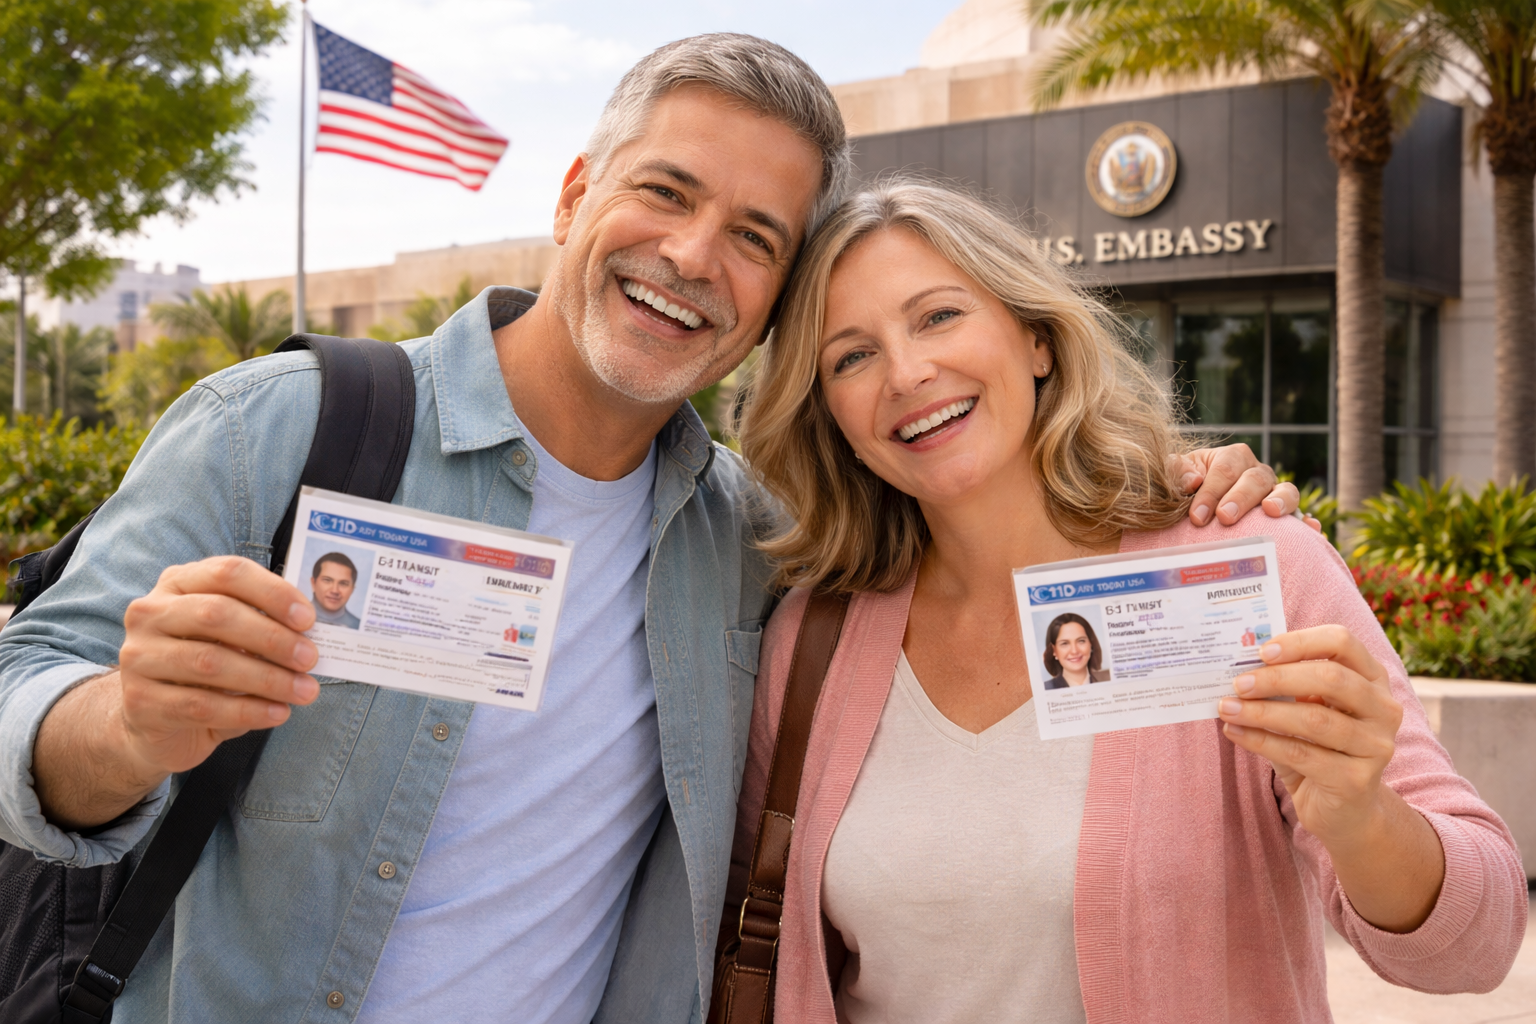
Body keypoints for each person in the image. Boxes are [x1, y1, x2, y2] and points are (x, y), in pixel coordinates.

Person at [0, 38, 1303, 1024]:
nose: (691, 256)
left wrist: (1169, 498)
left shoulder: (753, 544)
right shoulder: (286, 425)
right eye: (666, 192)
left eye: (753, 237)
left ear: (776, 299)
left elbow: (990, 513)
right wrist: (124, 725)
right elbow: (29, 688)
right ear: (576, 193)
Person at [732, 179, 1528, 1023]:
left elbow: (1477, 949)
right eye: (851, 356)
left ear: (1036, 339)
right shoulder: (810, 641)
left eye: (938, 316)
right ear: (828, 413)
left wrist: (1363, 817)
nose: (908, 372)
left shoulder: (1248, 565)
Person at [1041, 612, 1107, 688]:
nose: (1074, 651)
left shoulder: (1108, 678)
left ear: (1091, 643)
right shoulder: (1045, 688)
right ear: (1054, 651)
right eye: (1065, 643)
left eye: (1081, 641)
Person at [310, 553, 361, 629]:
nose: (335, 591)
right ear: (313, 583)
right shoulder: (294, 615)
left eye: (343, 583)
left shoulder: (358, 626)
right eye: (327, 580)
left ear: (352, 589)